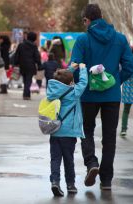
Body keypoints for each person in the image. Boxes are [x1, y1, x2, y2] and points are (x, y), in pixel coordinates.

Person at [70, 4, 133, 190]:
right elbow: (130, 67)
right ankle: (106, 180)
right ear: (101, 17)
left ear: (86, 20)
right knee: (109, 138)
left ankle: (92, 163)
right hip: (112, 96)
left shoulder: (83, 39)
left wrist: (83, 84)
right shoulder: (120, 39)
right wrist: (113, 82)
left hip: (88, 96)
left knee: (85, 130)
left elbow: (74, 67)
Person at [46, 63, 88, 196]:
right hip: (68, 133)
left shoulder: (53, 90)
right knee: (68, 159)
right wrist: (82, 68)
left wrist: (70, 69)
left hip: (54, 130)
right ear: (71, 82)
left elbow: (62, 80)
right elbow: (83, 82)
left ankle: (55, 182)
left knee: (55, 159)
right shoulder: (73, 92)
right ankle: (70, 184)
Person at [14, 32, 41, 100]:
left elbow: (17, 55)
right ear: (34, 38)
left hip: (22, 65)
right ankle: (26, 94)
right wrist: (39, 64)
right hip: (31, 65)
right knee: (28, 80)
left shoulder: (21, 45)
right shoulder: (34, 46)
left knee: (25, 79)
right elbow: (37, 56)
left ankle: (26, 94)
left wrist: (16, 63)